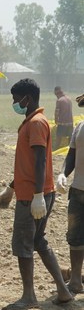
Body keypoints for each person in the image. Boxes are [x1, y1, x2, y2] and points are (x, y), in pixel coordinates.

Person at [0, 79, 75, 308]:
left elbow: (40, 161)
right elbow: (29, 162)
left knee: (24, 244)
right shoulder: (33, 122)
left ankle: (29, 296)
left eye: (15, 99)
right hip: (32, 192)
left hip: (33, 196)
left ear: (26, 99)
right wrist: (11, 188)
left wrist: (37, 195)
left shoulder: (36, 124)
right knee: (39, 240)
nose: (14, 103)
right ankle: (62, 291)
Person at [57, 91, 84, 294]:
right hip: (77, 192)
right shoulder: (80, 128)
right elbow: (71, 156)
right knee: (74, 237)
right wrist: (62, 174)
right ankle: (75, 280)